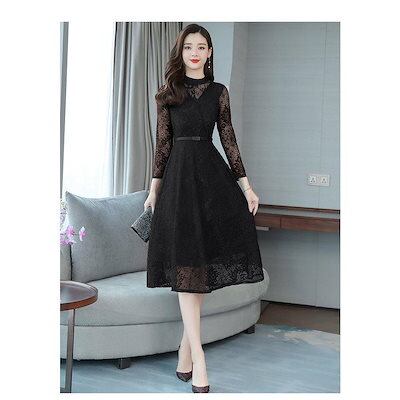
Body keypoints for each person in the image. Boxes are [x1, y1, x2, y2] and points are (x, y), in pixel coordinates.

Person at [144, 23, 265, 393]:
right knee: (186, 267)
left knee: (197, 269)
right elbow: (163, 145)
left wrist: (247, 187)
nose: (194, 53)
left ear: (210, 52)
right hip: (177, 184)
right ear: (181, 52)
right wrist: (153, 191)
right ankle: (199, 356)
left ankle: (185, 349)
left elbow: (229, 141)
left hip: (210, 182)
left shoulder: (218, 92)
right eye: (188, 47)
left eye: (201, 47)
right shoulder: (167, 94)